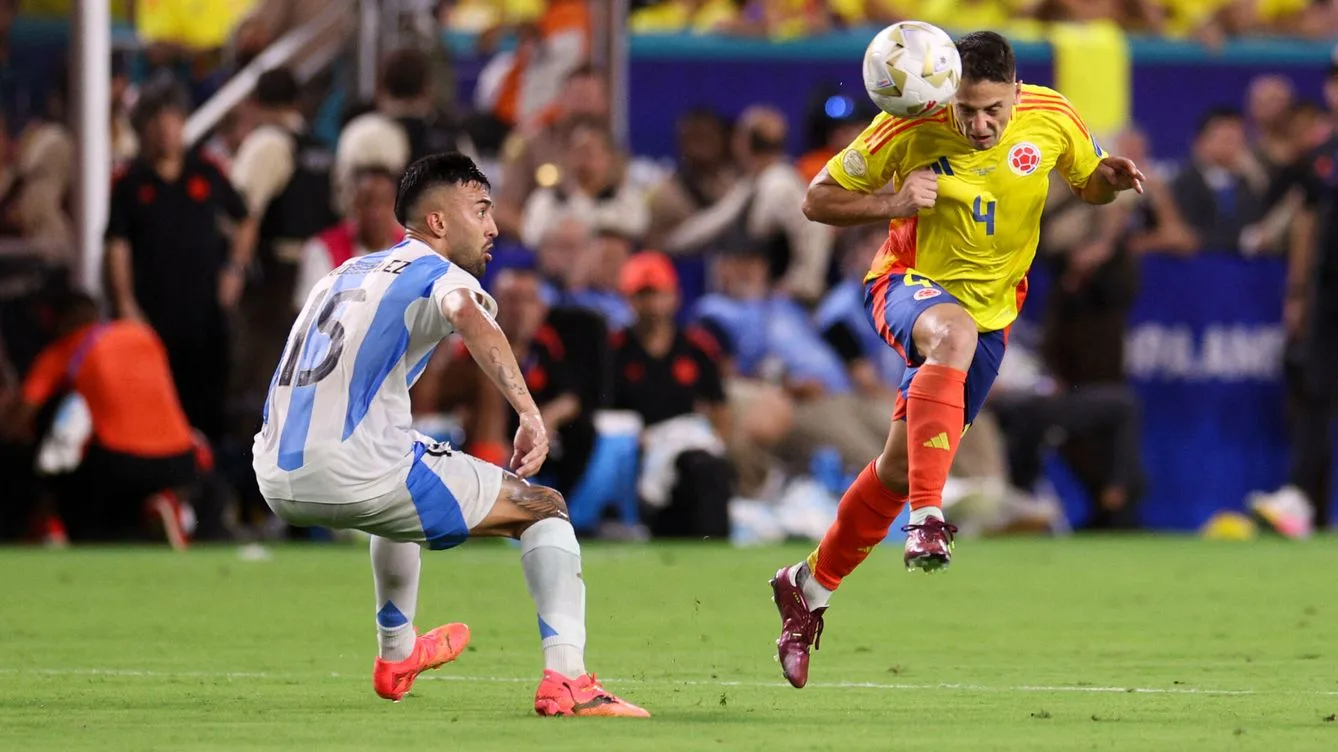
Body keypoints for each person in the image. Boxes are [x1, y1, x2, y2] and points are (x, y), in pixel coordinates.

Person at [768, 31, 1146, 688]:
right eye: (967, 109)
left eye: (992, 109)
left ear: (1015, 90)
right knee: (953, 338)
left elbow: (1086, 183)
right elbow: (817, 198)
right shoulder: (910, 125)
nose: (979, 123)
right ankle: (929, 522)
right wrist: (892, 201)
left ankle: (807, 588)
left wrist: (1107, 184)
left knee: (895, 467)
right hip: (905, 285)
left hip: (994, 312)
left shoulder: (1052, 116)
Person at [251, 152, 648, 717]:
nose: (493, 226)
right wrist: (530, 413)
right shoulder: (440, 273)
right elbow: (466, 312)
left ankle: (398, 653)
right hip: (351, 467)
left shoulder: (343, 273)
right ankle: (569, 681)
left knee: (400, 477)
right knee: (545, 509)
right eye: (480, 210)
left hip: (274, 471)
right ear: (437, 222)